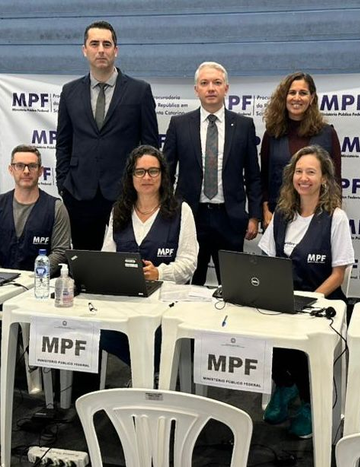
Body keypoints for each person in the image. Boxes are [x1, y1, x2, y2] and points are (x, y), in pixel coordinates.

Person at [258, 145, 354, 438]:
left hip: (322, 301)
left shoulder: (335, 218)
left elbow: (339, 274)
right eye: (299, 171)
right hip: (283, 300)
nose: (303, 178)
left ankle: (312, 402)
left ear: (324, 179)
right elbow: (267, 262)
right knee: (256, 325)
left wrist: (310, 300)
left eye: (311, 172)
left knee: (301, 334)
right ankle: (285, 387)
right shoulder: (282, 215)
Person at [56, 20, 159, 251]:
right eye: (94, 44)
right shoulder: (69, 91)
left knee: (123, 262)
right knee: (84, 263)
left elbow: (151, 147)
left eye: (106, 44)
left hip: (124, 193)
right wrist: (63, 183)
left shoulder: (139, 91)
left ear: (116, 50)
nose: (100, 49)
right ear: (85, 50)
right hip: (80, 194)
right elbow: (63, 142)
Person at [163, 61, 262, 285]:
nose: (211, 88)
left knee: (233, 286)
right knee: (190, 285)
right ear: (196, 89)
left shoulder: (244, 125)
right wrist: (168, 212)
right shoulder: (179, 124)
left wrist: (254, 215)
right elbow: (166, 173)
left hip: (230, 218)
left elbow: (253, 175)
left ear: (226, 88)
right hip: (190, 217)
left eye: (217, 83)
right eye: (204, 83)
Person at [100, 144, 197, 367]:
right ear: (131, 176)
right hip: (125, 300)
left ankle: (151, 376)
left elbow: (189, 262)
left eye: (153, 171)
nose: (147, 177)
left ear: (163, 175)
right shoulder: (119, 210)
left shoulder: (181, 211)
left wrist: (159, 272)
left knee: (157, 333)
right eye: (140, 171)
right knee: (101, 332)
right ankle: (145, 371)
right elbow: (107, 256)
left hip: (165, 301)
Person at [0, 144, 72, 354]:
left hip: (40, 289)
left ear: (40, 171)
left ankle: (30, 361)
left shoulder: (56, 207)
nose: (26, 171)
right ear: (11, 169)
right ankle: (12, 354)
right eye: (20, 166)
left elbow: (62, 250)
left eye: (31, 166)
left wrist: (34, 278)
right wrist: (4, 279)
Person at [261, 72, 342, 229]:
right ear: (284, 97)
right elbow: (264, 177)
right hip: (278, 215)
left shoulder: (327, 133)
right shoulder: (272, 133)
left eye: (303, 93)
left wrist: (332, 216)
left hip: (318, 216)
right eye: (292, 92)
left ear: (311, 98)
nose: (296, 98)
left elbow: (336, 180)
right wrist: (265, 210)